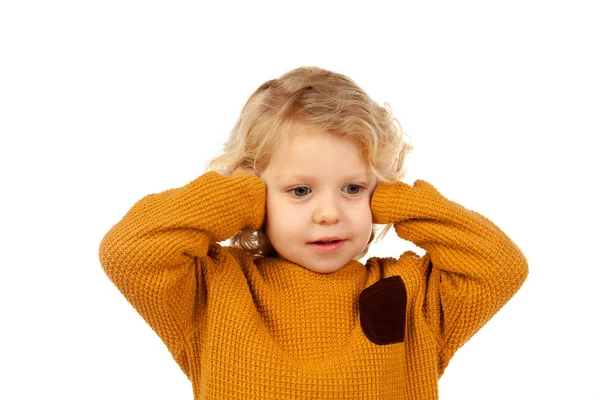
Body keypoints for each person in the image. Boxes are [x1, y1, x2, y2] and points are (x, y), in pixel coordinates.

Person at [98, 66, 528, 399]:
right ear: (255, 187)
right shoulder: (211, 290)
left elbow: (500, 266)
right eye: (300, 190)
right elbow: (130, 251)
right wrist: (245, 197)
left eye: (353, 188)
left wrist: (398, 201)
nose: (329, 213)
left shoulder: (412, 293)